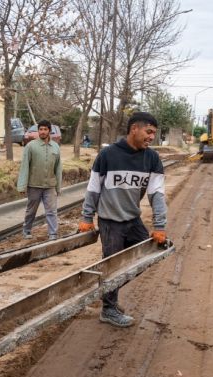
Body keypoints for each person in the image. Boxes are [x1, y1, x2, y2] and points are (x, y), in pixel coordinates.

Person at [78, 112, 168, 328]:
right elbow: (93, 188)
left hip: (132, 219)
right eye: (148, 132)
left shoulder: (152, 158)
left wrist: (159, 225)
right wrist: (87, 216)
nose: (151, 137)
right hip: (110, 221)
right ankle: (109, 309)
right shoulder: (108, 155)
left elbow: (157, 193)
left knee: (145, 256)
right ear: (134, 129)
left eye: (154, 134)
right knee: (113, 264)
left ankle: (107, 290)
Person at [17, 119, 62, 240]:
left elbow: (58, 168)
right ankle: (26, 230)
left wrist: (58, 187)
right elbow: (25, 166)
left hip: (50, 185)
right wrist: (22, 185)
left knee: (52, 211)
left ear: (49, 131)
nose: (42, 132)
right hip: (34, 185)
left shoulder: (56, 147)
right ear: (38, 131)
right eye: (40, 129)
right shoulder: (31, 146)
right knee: (31, 211)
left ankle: (53, 233)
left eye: (45, 129)